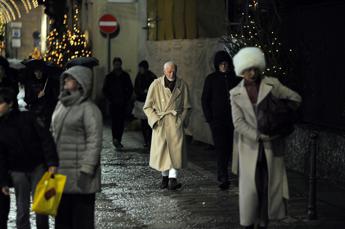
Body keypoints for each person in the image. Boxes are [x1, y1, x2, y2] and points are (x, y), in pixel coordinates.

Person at [230, 47, 302, 229]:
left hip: (272, 145)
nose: (252, 73)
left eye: (255, 68)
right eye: (248, 69)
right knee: (250, 190)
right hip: (249, 147)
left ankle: (264, 222)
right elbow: (238, 123)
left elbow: (295, 98)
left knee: (268, 187)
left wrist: (281, 117)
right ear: (241, 71)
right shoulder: (235, 93)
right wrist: (257, 136)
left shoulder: (272, 84)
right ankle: (249, 222)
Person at [51, 66, 103, 229]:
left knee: (82, 221)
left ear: (81, 83)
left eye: (70, 78)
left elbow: (94, 141)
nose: (66, 80)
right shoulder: (61, 104)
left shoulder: (89, 109)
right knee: (62, 221)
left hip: (81, 176)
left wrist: (87, 169)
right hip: (61, 173)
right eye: (65, 78)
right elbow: (53, 132)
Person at [0, 87, 58, 229]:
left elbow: (45, 138)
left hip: (37, 166)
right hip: (17, 170)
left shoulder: (28, 117)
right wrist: (3, 182)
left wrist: (51, 162)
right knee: (22, 208)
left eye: (0, 103)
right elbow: (1, 156)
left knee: (41, 206)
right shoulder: (1, 126)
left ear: (10, 104)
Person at [143, 61, 191, 190]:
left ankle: (172, 179)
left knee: (175, 152)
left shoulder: (182, 85)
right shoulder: (156, 85)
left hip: (175, 122)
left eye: (174, 70)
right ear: (164, 71)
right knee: (163, 152)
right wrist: (155, 120)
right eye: (169, 71)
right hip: (162, 122)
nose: (172, 73)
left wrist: (181, 120)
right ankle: (164, 178)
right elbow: (147, 106)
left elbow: (187, 106)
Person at [201, 50, 241, 190]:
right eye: (221, 64)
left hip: (233, 120)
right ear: (217, 65)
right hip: (217, 121)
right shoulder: (211, 79)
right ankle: (222, 175)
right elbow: (205, 99)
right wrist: (209, 118)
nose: (224, 66)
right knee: (221, 148)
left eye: (225, 63)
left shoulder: (235, 78)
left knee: (230, 147)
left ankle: (226, 173)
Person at [103, 57, 133, 149]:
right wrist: (110, 98)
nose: (117, 65)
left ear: (120, 64)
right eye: (115, 64)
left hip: (122, 103)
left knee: (121, 122)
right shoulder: (109, 77)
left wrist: (126, 98)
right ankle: (115, 138)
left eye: (118, 64)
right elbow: (105, 89)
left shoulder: (125, 76)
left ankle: (118, 139)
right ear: (113, 65)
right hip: (113, 103)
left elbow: (130, 88)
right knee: (114, 122)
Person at [24, 61, 58, 128]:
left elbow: (53, 98)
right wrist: (37, 96)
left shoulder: (48, 82)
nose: (38, 74)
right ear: (34, 72)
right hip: (35, 113)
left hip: (47, 113)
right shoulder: (30, 83)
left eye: (40, 72)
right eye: (36, 72)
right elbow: (27, 99)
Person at [133, 60, 157, 148]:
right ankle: (146, 140)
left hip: (149, 102)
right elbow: (136, 87)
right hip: (141, 101)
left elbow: (155, 88)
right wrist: (139, 93)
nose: (140, 70)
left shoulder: (151, 76)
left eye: (141, 68)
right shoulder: (138, 76)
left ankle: (149, 140)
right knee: (143, 122)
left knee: (149, 122)